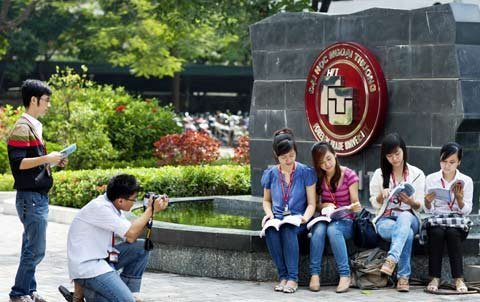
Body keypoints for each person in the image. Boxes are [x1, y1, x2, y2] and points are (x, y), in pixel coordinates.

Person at [7, 79, 67, 302]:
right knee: (36, 249)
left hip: (36, 197)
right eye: (46, 100)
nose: (48, 105)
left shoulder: (32, 127)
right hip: (31, 198)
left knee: (30, 247)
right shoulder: (23, 127)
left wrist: (52, 161)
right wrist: (47, 158)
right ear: (34, 100)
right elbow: (19, 163)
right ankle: (19, 293)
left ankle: (28, 290)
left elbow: (31, 164)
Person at [67, 174, 168, 302]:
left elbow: (131, 237)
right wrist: (150, 210)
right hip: (90, 268)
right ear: (120, 200)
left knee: (141, 247)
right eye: (133, 199)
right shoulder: (100, 208)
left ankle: (129, 292)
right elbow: (131, 234)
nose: (134, 202)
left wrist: (149, 211)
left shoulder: (111, 205)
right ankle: (87, 294)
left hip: (104, 259)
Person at [261, 128, 317, 293]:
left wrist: (304, 219)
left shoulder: (305, 172)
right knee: (271, 231)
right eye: (284, 157)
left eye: (292, 156)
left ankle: (293, 278)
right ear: (276, 156)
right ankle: (283, 276)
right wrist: (269, 215)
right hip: (277, 217)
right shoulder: (271, 174)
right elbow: (266, 200)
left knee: (287, 229)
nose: (288, 160)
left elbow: (312, 203)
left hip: (297, 219)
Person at [369, 133, 425, 292]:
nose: (394, 158)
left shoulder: (417, 174)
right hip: (386, 219)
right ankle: (403, 277)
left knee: (406, 217)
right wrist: (382, 195)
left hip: (410, 217)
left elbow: (420, 206)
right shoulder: (379, 174)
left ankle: (391, 259)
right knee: (405, 233)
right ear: (385, 157)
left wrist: (410, 202)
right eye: (390, 155)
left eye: (397, 153)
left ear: (404, 151)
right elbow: (374, 202)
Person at [308, 142, 361, 293]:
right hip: (325, 218)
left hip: (345, 220)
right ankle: (314, 274)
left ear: (335, 155)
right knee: (318, 231)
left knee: (333, 230)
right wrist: (324, 206)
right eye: (322, 162)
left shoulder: (349, 175)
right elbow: (315, 205)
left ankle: (345, 274)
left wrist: (353, 207)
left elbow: (355, 203)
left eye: (329, 159)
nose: (327, 164)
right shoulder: (319, 177)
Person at [423, 142, 473, 293]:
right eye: (444, 161)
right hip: (437, 219)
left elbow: (467, 211)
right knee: (437, 233)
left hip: (457, 222)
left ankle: (458, 278)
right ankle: (434, 277)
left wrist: (459, 200)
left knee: (452, 233)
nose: (447, 166)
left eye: (452, 162)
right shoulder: (431, 179)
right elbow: (428, 210)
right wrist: (427, 202)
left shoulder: (466, 181)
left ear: (459, 162)